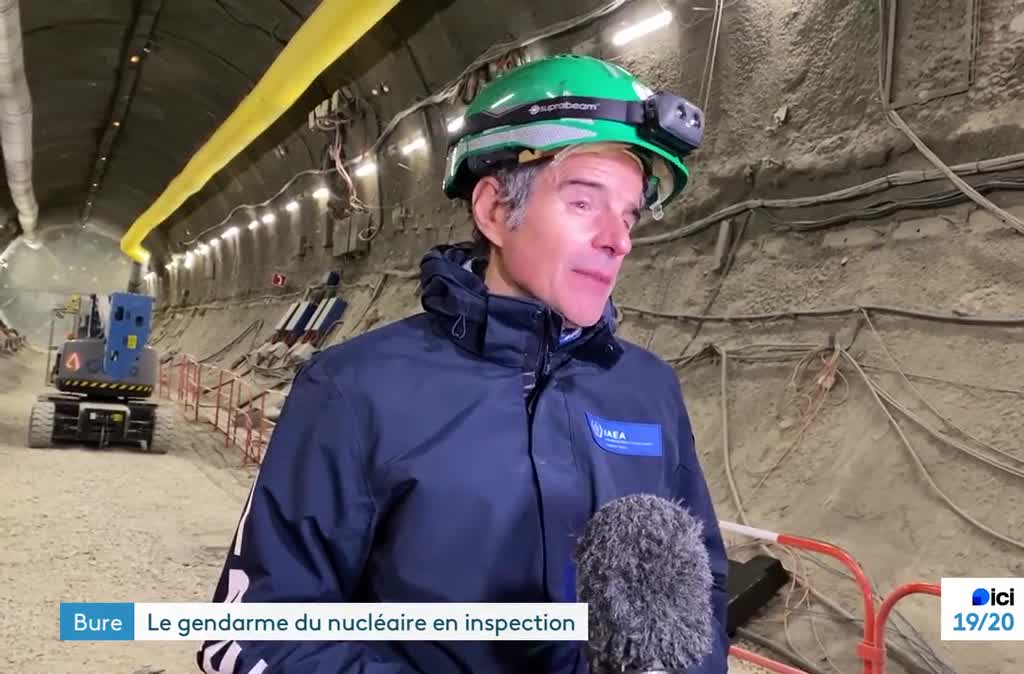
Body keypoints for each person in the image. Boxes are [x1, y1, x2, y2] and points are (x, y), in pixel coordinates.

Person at [198, 53, 728, 674]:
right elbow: (251, 633)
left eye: (630, 213)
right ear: (496, 211)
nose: (619, 238)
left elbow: (704, 599)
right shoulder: (354, 390)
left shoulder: (647, 390)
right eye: (585, 203)